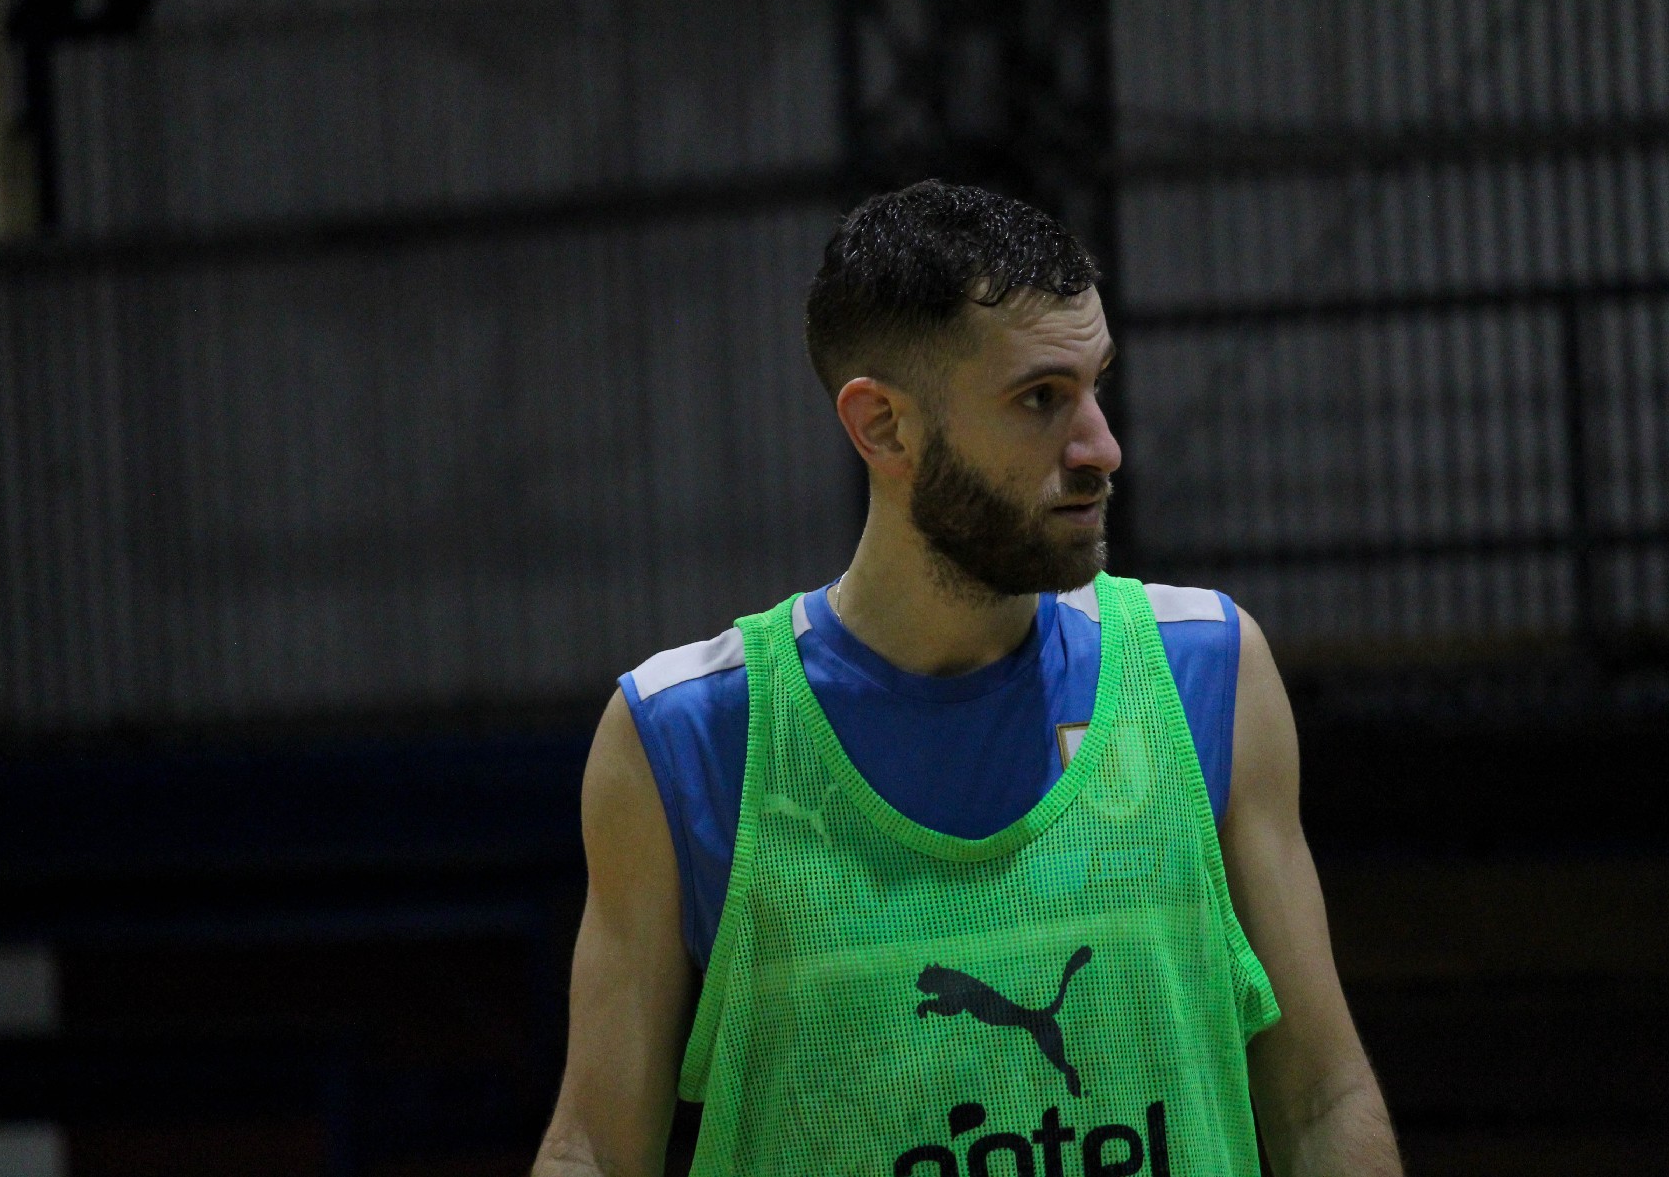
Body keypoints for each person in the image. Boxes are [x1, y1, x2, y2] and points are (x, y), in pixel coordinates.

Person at [533, 181, 1401, 1177]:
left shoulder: (1205, 667)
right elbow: (594, 1150)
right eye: (1040, 399)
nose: (1102, 447)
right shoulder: (684, 737)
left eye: (1095, 386)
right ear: (883, 428)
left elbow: (1321, 1099)